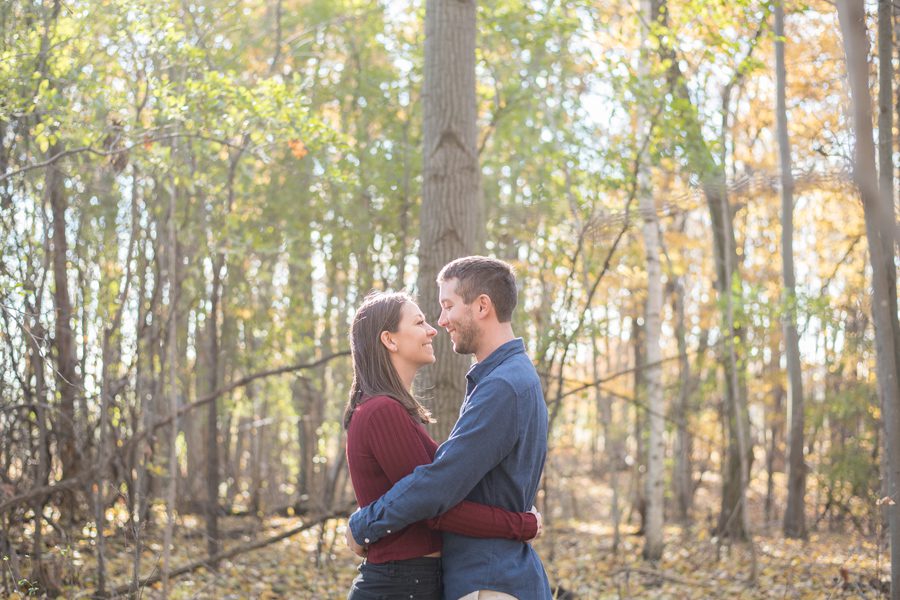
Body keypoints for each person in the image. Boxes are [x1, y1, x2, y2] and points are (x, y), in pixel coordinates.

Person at [347, 257, 552, 600]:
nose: (440, 323)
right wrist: (523, 524)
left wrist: (362, 525)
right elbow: (440, 486)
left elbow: (436, 490)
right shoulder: (502, 380)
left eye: (447, 306)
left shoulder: (503, 385)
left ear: (482, 306)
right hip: (479, 575)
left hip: (489, 579)